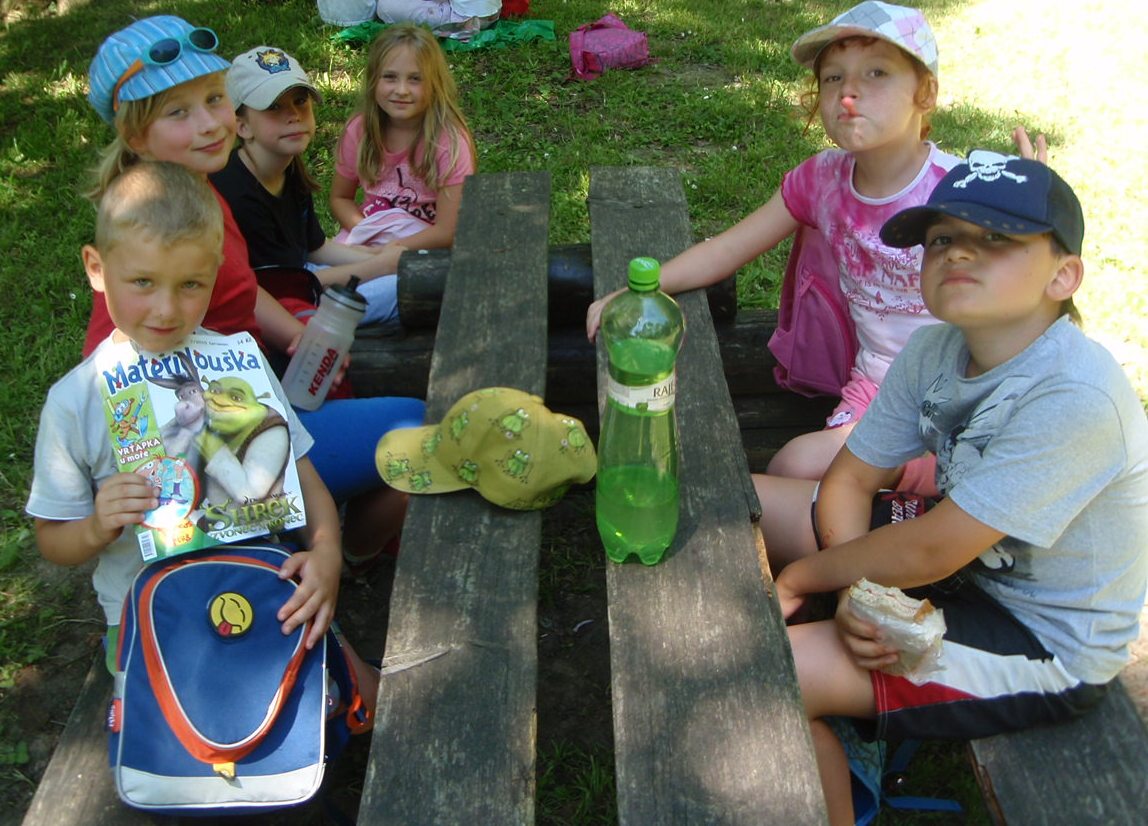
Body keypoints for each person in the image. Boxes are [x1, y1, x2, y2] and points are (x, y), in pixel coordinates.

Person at [771, 154, 1148, 824]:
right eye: (941, 238)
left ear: (1063, 276)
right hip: (965, 556)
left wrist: (805, 577)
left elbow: (930, 551)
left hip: (1039, 639)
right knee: (761, 504)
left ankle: (834, 778)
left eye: (996, 238)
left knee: (771, 680)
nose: (958, 252)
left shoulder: (1076, 394)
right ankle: (852, 721)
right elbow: (849, 480)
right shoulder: (934, 350)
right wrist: (861, 595)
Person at [26, 161, 379, 710]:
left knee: (339, 707)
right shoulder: (76, 401)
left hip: (261, 579)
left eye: (190, 284)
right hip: (149, 612)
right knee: (189, 734)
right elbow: (53, 539)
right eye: (142, 282)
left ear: (214, 273)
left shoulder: (238, 364)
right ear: (97, 268)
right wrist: (96, 526)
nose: (166, 309)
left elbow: (303, 477)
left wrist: (327, 551)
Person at [586, 2, 959, 520]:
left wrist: (1030, 225)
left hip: (960, 395)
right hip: (875, 391)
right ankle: (908, 502)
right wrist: (642, 290)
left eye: (876, 73)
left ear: (926, 93)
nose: (848, 93)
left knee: (799, 470)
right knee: (791, 470)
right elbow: (728, 248)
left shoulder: (959, 191)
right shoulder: (823, 180)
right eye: (833, 77)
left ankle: (924, 485)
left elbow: (1026, 298)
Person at [82, 15, 425, 569]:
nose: (208, 124)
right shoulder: (158, 219)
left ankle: (331, 537)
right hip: (200, 444)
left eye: (214, 99)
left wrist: (292, 333)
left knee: (389, 413)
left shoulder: (199, 189)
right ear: (136, 136)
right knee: (414, 428)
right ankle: (339, 543)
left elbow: (238, 287)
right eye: (178, 112)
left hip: (243, 400)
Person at [211, 46, 408, 326]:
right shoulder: (237, 192)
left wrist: (376, 254)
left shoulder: (289, 167)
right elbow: (288, 287)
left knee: (408, 272)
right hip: (279, 306)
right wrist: (380, 265)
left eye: (300, 101)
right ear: (242, 126)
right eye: (274, 107)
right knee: (406, 289)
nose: (294, 115)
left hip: (305, 278)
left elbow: (315, 247)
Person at [328, 23, 476, 324]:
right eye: (390, 77)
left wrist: (392, 249)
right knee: (311, 272)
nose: (401, 90)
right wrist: (366, 233)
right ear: (373, 80)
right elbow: (340, 197)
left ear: (434, 84)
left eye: (415, 79)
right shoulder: (360, 130)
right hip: (369, 235)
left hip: (424, 248)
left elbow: (447, 231)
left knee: (357, 301)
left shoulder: (448, 142)